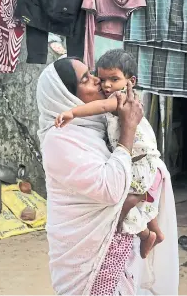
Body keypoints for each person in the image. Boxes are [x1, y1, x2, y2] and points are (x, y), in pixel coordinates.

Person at [36, 54, 179, 295]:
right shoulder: (59, 137)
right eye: (86, 79)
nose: (98, 82)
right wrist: (129, 128)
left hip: (115, 243)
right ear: (66, 95)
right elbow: (112, 190)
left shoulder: (97, 124)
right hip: (86, 254)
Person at [55, 50, 164, 259]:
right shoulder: (124, 96)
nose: (106, 85)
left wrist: (73, 112)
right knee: (139, 202)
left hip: (139, 162)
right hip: (143, 160)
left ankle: (145, 235)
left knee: (125, 201)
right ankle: (156, 232)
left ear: (130, 80)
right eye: (103, 79)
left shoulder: (120, 98)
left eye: (114, 79)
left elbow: (102, 106)